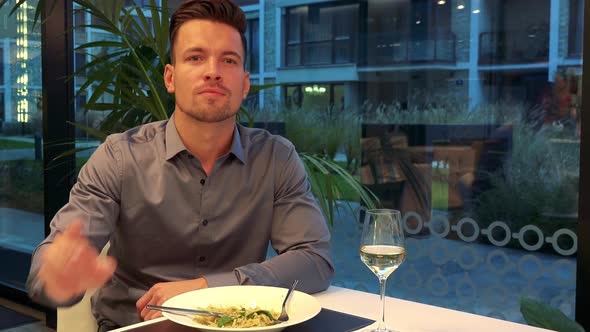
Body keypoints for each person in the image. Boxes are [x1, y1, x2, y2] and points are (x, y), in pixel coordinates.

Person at [26, 0, 334, 330]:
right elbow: (50, 265)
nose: (213, 70)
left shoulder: (276, 158)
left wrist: (206, 288)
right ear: (170, 78)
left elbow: (315, 259)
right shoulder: (119, 157)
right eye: (195, 57)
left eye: (228, 60)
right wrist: (58, 274)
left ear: (245, 84)